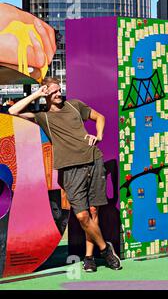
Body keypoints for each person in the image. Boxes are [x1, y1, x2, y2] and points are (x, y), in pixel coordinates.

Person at [8, 77, 122, 272]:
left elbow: (99, 117)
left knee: (94, 212)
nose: (59, 94)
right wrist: (36, 94)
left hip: (93, 160)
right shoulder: (42, 116)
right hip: (69, 169)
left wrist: (99, 135)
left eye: (59, 90)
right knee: (82, 216)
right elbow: (12, 111)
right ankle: (105, 249)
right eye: (53, 92)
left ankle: (88, 257)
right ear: (46, 94)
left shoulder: (75, 105)